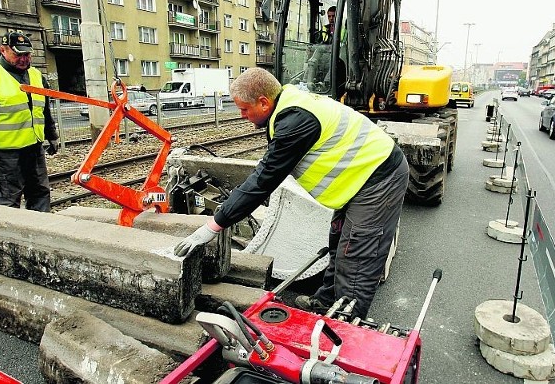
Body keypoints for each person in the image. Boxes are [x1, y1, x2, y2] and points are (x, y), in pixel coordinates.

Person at [174, 67, 409, 320]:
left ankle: (344, 327)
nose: (242, 115)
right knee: (339, 240)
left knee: (357, 257)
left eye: (244, 109)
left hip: (378, 179)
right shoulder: (288, 106)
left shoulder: (295, 121)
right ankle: (324, 303)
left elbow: (263, 180)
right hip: (360, 177)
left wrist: (213, 227)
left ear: (264, 102)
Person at [0, 31, 59, 212]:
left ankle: (40, 233)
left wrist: (51, 134)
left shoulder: (36, 76)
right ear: (3, 50)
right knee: (9, 200)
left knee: (40, 193)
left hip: (34, 148)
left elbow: (43, 110)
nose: (24, 59)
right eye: (18, 54)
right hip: (5, 153)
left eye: (27, 54)